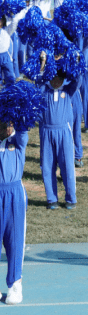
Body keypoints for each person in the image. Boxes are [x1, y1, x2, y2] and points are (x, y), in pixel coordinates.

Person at [38, 61, 79, 210]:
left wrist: (74, 62)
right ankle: (51, 199)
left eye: (59, 79)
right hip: (47, 133)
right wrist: (43, 64)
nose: (56, 82)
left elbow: (77, 80)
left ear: (63, 79)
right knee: (47, 166)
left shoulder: (68, 91)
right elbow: (38, 79)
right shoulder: (44, 91)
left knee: (67, 165)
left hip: (64, 133)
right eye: (53, 79)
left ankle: (70, 198)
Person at [0, 120, 28, 305]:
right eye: (4, 123)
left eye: (10, 123)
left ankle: (15, 285)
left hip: (14, 194)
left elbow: (23, 131)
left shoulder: (17, 140)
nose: (8, 126)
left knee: (14, 240)